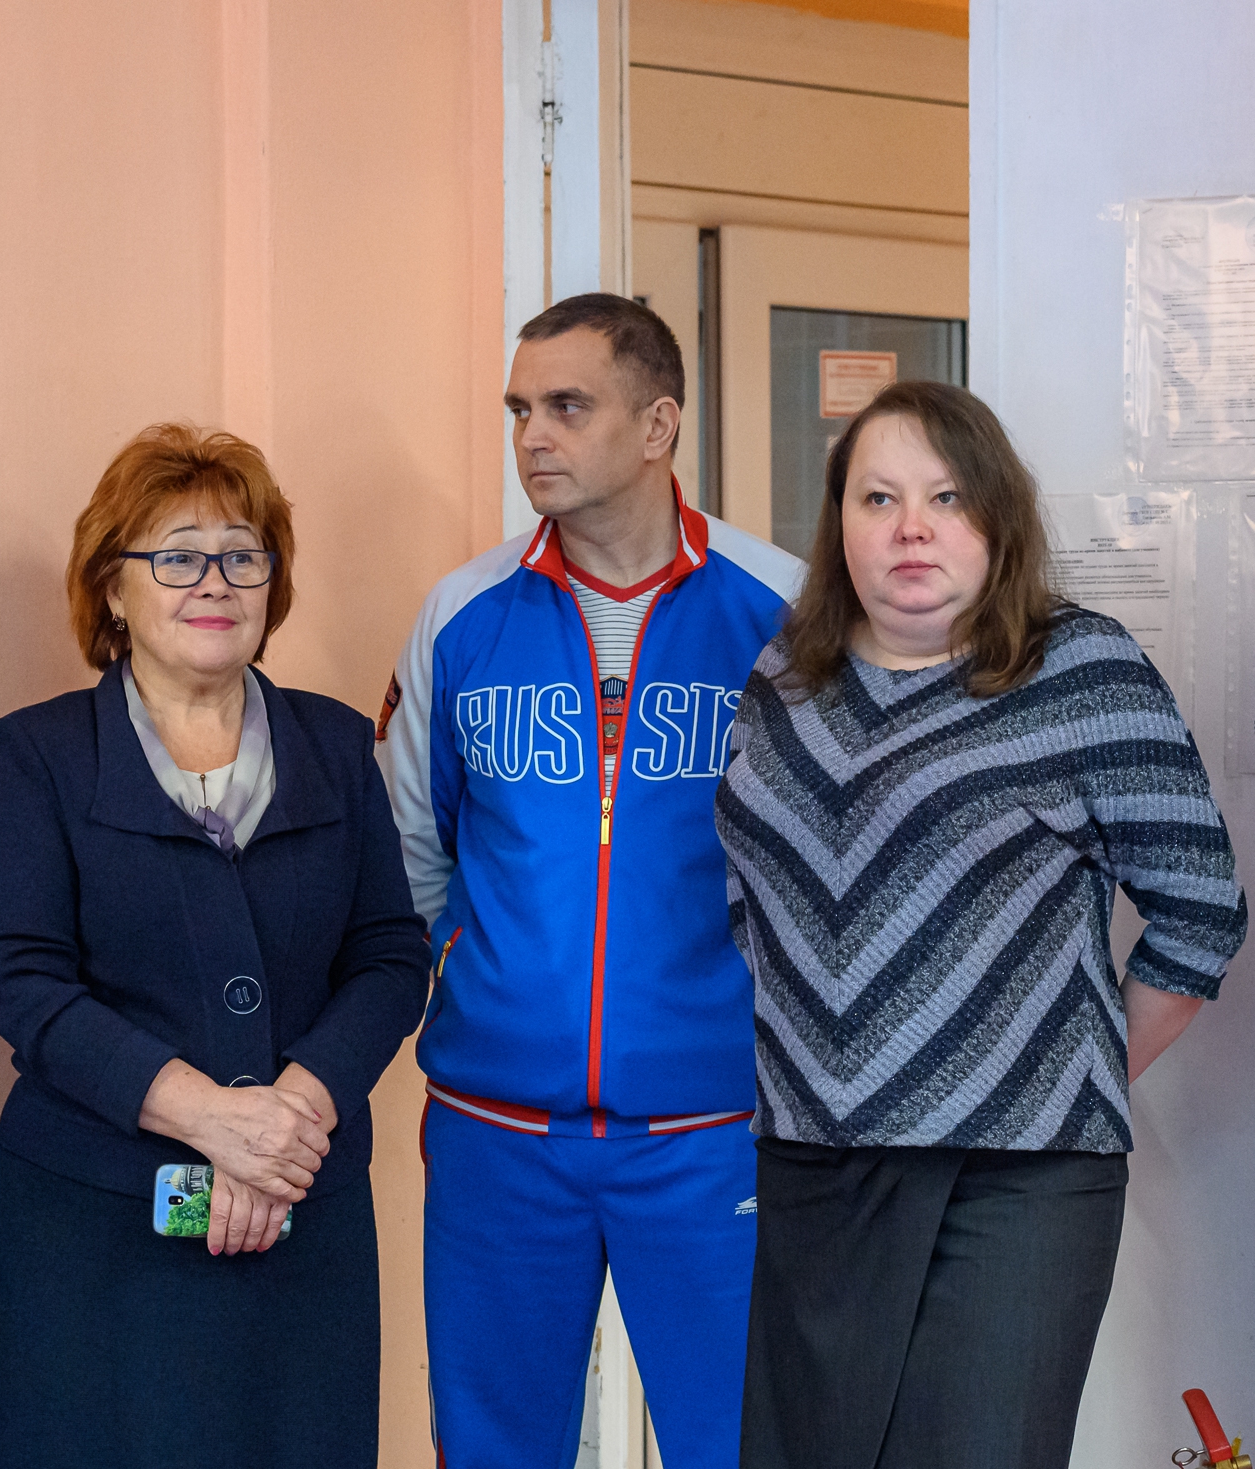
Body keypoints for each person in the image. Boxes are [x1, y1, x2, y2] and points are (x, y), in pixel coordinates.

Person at [718, 381, 1246, 1469]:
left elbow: (1198, 909)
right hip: (814, 1167)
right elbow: (753, 897)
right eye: (879, 498)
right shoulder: (783, 678)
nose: (911, 527)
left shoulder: (1082, 669)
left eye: (947, 496)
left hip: (1013, 1181)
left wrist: (1062, 1066)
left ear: (998, 515)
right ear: (840, 521)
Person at [380, 293, 802, 1467]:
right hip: (498, 1135)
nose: (533, 437)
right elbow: (413, 852)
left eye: (568, 406)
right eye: (520, 409)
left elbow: (836, 870)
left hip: (718, 1130)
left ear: (658, 424)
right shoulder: (462, 616)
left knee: (743, 1447)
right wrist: (492, 993)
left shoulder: (786, 610)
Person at [0, 424, 429, 1469]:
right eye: (176, 556)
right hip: (99, 1233)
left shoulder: (335, 744)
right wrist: (215, 1121)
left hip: (302, 1214)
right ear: (112, 588)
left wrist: (287, 1123)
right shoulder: (39, 753)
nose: (214, 582)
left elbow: (391, 955)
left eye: (242, 554)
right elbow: (26, 985)